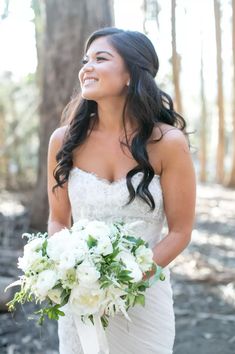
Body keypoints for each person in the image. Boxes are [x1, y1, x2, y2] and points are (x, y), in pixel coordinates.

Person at [47, 27, 196, 354]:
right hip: (81, 300)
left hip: (142, 300)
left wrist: (121, 283)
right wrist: (73, 275)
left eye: (101, 58)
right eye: (86, 60)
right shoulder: (63, 141)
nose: (87, 67)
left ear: (131, 74)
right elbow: (58, 221)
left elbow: (181, 231)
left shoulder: (167, 143)